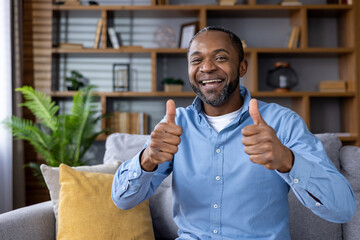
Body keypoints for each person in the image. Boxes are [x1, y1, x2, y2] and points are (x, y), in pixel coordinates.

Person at [111, 26, 356, 239]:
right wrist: (147, 160)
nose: (206, 67)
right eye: (196, 60)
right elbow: (122, 200)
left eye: (220, 58)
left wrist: (288, 161)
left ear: (242, 67)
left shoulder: (281, 123)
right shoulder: (176, 124)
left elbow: (343, 208)